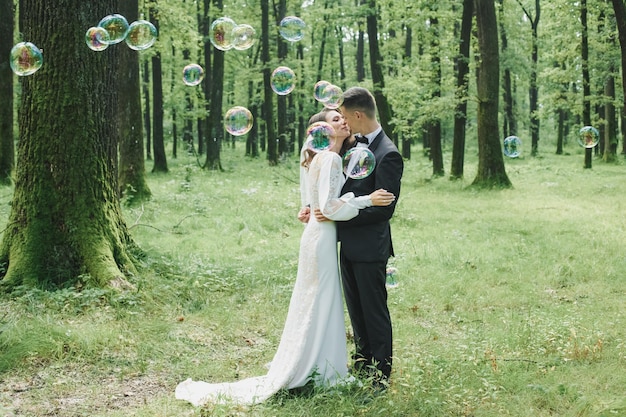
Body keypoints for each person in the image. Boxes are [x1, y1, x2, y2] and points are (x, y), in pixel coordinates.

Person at [175, 108, 395, 407]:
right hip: (324, 238)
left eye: (342, 118)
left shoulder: (320, 158)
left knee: (315, 300)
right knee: (322, 301)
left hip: (318, 238)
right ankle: (318, 366)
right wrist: (368, 199)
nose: (342, 121)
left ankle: (314, 362)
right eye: (334, 120)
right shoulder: (330, 158)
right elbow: (329, 208)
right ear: (321, 133)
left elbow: (319, 203)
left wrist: (311, 206)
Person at [326, 87, 403, 390]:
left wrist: (340, 213)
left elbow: (384, 210)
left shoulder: (388, 153)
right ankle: (362, 365)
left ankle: (380, 377)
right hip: (348, 245)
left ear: (357, 115)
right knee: (356, 311)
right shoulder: (352, 146)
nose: (343, 122)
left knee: (374, 312)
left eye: (344, 116)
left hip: (371, 247)